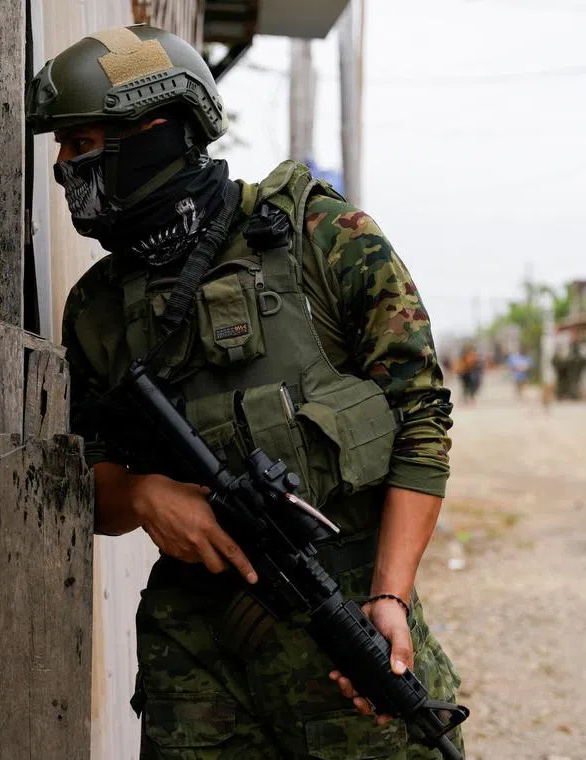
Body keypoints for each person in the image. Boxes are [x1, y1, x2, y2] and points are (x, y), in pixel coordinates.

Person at [26, 25, 462, 757]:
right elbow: (84, 486)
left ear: (156, 132)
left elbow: (421, 413)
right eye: (62, 149)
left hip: (346, 626)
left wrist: (390, 594)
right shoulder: (98, 309)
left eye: (82, 143)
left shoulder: (323, 234)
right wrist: (144, 498)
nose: (66, 168)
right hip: (196, 667)